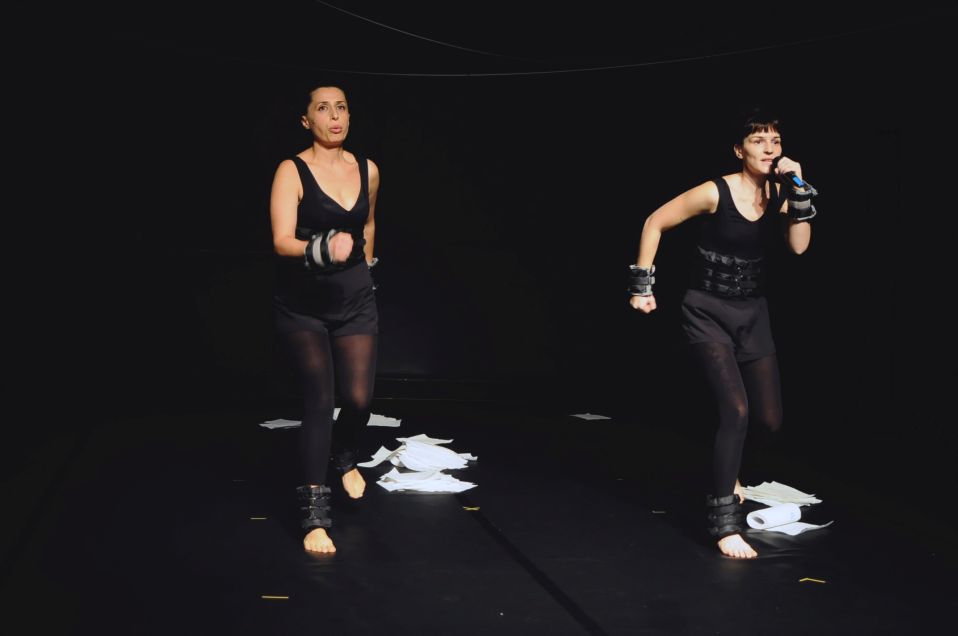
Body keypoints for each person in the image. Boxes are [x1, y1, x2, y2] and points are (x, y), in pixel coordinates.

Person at [628, 108, 818, 558]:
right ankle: (725, 524)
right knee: (736, 411)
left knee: (769, 420)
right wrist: (641, 286)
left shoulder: (782, 191)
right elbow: (655, 221)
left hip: (752, 315)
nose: (769, 149)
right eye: (758, 141)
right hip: (706, 311)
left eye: (775, 141)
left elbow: (799, 246)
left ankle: (727, 467)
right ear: (739, 150)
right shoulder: (715, 191)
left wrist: (799, 190)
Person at [269, 85, 380, 553]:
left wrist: (367, 267)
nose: (334, 116)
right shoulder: (291, 170)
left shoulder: (368, 169)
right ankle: (315, 515)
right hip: (303, 304)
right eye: (323, 108)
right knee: (319, 398)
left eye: (341, 108)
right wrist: (322, 248)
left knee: (358, 399)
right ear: (306, 120)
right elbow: (281, 240)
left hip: (354, 300)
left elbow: (368, 223)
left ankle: (345, 453)